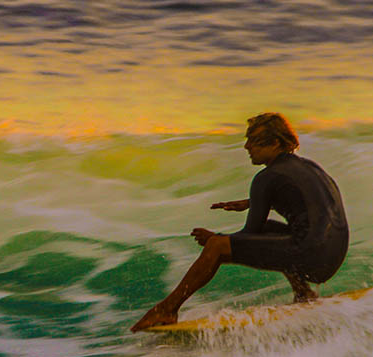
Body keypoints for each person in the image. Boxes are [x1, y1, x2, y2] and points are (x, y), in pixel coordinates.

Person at [131, 112, 349, 332]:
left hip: (312, 258)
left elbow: (248, 235)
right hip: (335, 252)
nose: (246, 147)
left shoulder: (266, 178)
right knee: (271, 230)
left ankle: (168, 308)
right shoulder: (311, 168)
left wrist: (216, 239)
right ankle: (304, 293)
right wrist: (252, 202)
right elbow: (309, 203)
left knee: (217, 247)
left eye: (253, 141)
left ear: (275, 143)